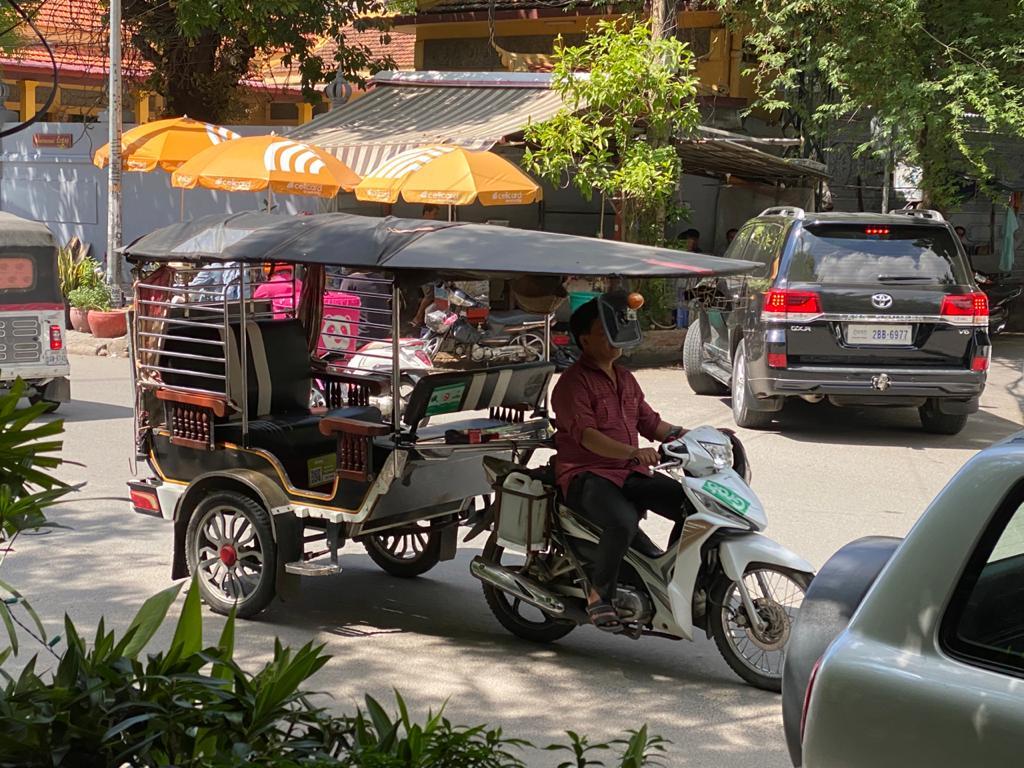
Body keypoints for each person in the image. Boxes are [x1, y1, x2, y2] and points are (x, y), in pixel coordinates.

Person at [551, 298, 688, 633]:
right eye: (604, 333)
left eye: (616, 332)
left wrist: (691, 436)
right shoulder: (572, 383)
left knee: (690, 505)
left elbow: (651, 423)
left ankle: (670, 579)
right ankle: (600, 595)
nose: (614, 340)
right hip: (587, 474)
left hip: (629, 472)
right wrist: (631, 452)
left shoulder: (625, 378)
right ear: (585, 340)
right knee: (622, 522)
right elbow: (588, 438)